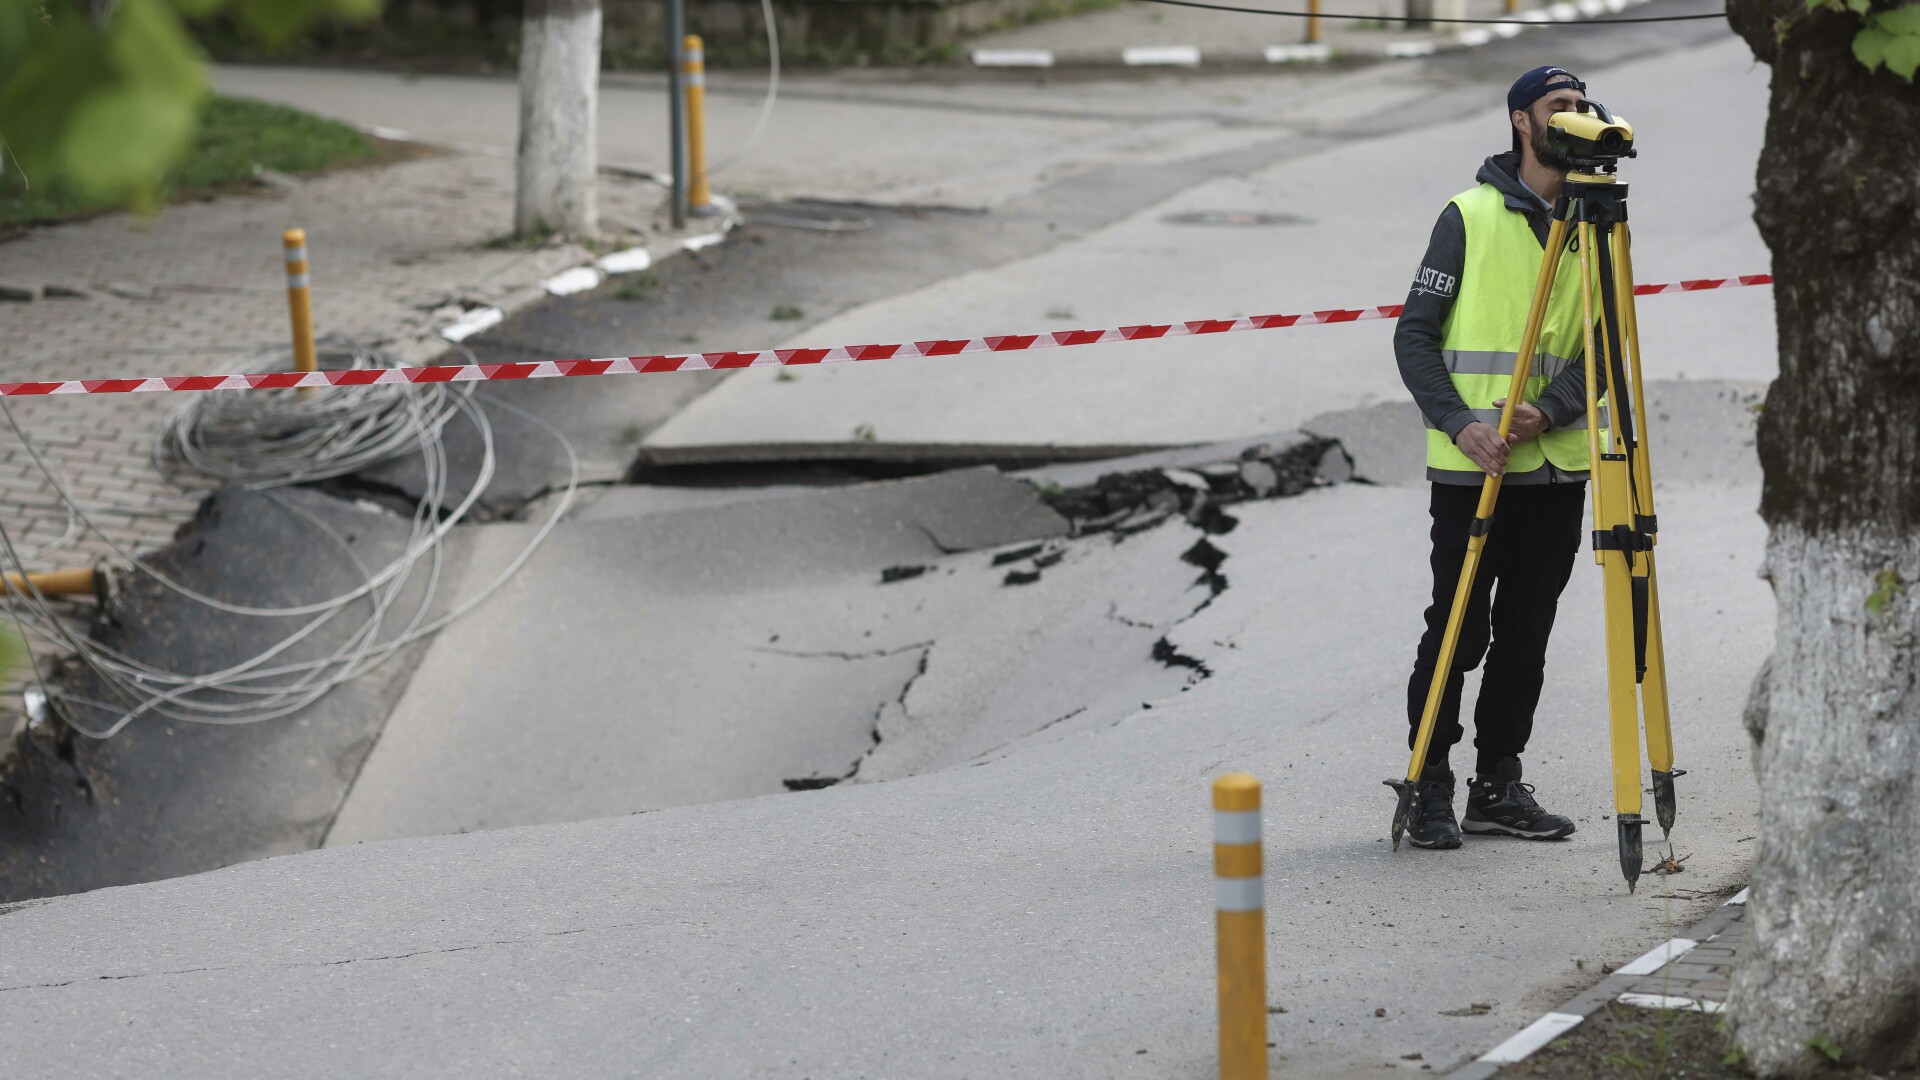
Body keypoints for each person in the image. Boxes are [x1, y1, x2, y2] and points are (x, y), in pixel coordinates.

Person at [1391, 65, 1599, 849]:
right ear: (1522, 121)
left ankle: (1497, 784)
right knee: (1457, 630)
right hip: (1472, 465)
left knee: (1526, 634)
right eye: (1560, 107)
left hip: (1554, 466)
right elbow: (1414, 335)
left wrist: (1550, 410)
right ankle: (1429, 783)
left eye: (1583, 106)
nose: (1575, 117)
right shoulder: (1468, 216)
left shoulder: (1597, 221)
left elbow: (1611, 348)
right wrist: (1458, 422)